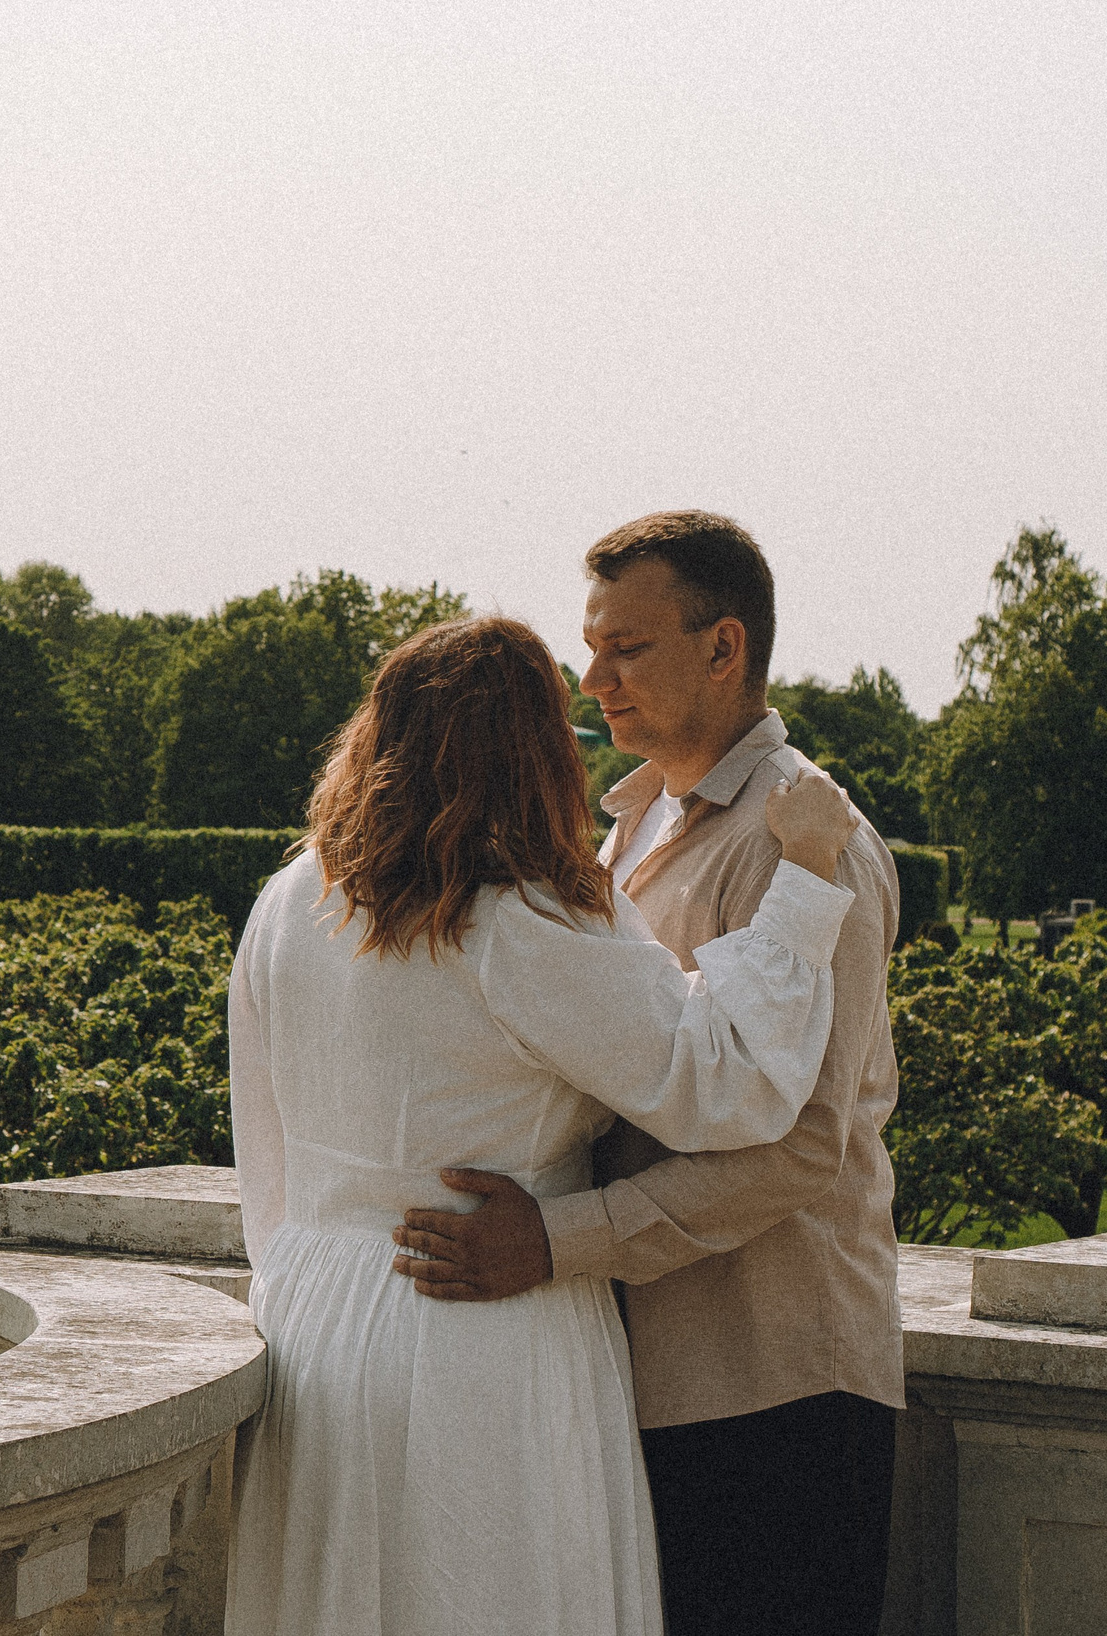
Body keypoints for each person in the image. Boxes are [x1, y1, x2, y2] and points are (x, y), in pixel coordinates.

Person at [228, 614, 859, 1636]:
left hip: (313, 1322)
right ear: (533, 749)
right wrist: (806, 877)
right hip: (483, 1328)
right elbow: (728, 1079)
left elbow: (264, 1156)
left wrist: (304, 1279)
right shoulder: (522, 916)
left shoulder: (288, 901)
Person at [393, 513, 905, 1636]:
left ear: (724, 648)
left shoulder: (805, 842)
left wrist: (553, 1241)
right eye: (592, 648)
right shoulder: (623, 834)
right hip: (640, 1377)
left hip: (772, 1384)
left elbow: (801, 1149)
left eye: (626, 649)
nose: (593, 682)